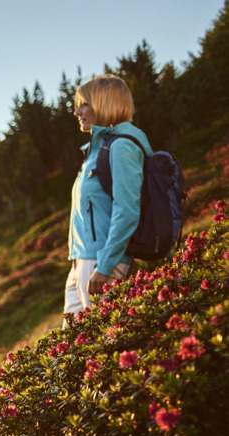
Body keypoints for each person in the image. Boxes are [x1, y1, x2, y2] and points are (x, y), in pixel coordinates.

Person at [65, 74, 150, 316]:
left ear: (104, 104)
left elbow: (127, 211)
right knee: (71, 351)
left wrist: (104, 266)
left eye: (84, 104)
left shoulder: (122, 146)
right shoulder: (97, 149)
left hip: (102, 264)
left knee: (100, 347)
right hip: (82, 263)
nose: (77, 111)